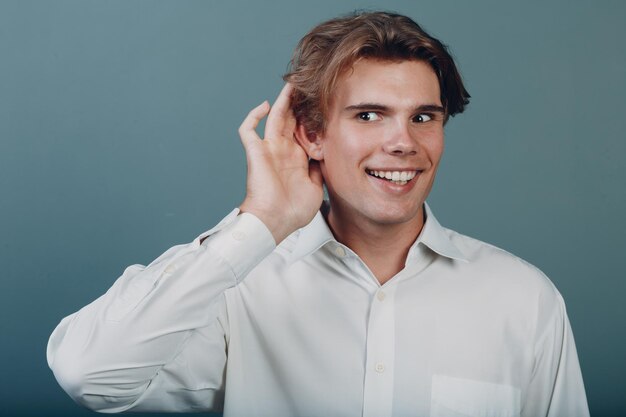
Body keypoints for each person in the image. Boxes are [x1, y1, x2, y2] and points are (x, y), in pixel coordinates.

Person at [47, 11, 589, 417]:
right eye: (369, 115)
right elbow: (90, 374)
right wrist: (258, 222)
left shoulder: (523, 298)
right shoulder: (240, 292)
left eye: (423, 116)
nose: (403, 142)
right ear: (311, 134)